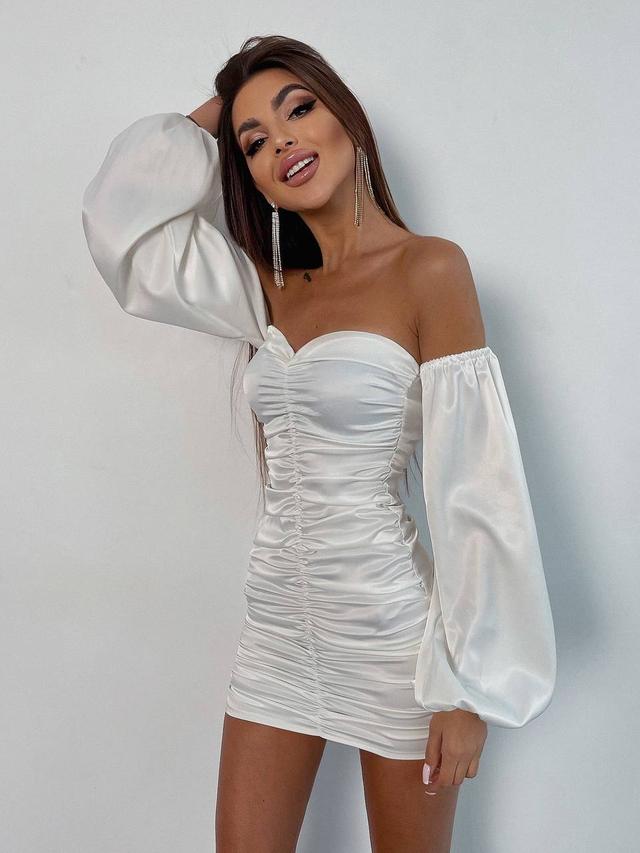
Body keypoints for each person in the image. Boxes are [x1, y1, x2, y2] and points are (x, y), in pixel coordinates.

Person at [82, 34, 556, 853]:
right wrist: (218, 110)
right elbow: (121, 222)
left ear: (346, 114)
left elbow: (478, 488)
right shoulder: (264, 288)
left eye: (299, 108)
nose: (283, 143)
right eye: (254, 142)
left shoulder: (430, 271)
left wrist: (468, 691)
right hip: (275, 637)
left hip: (395, 646)